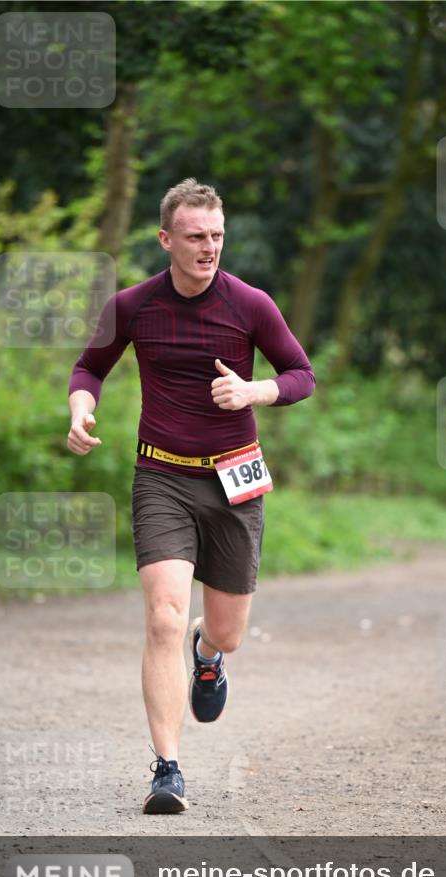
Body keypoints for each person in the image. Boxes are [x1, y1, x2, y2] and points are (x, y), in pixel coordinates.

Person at [67, 178, 315, 813]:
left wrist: (255, 393)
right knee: (162, 618)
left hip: (234, 479)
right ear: (166, 239)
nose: (209, 247)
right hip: (162, 477)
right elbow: (90, 365)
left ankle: (209, 656)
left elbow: (301, 375)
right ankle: (167, 769)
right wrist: (80, 408)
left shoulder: (251, 304)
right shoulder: (133, 306)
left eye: (217, 236)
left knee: (225, 632)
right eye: (197, 236)